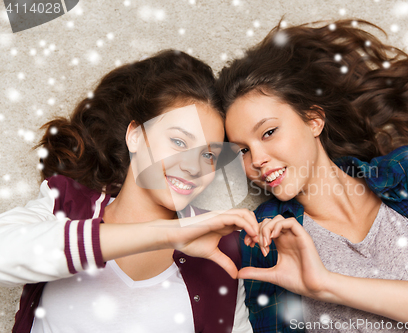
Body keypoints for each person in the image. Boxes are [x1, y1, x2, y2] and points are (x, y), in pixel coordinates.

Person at [216, 19, 408, 332]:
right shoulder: (264, 238)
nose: (257, 159)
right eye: (241, 150)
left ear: (313, 120)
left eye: (268, 132)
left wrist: (326, 285)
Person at [0, 50, 259, 332]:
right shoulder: (64, 203)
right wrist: (167, 233)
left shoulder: (219, 250)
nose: (193, 167)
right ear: (135, 135)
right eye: (178, 141)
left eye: (209, 156)